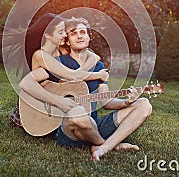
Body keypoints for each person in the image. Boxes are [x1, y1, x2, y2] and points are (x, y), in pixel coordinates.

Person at [20, 17, 152, 161]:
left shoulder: (99, 66)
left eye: (83, 32)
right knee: (78, 113)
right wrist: (59, 101)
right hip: (70, 128)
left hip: (93, 124)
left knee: (144, 104)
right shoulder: (59, 63)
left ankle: (101, 146)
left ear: (89, 37)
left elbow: (106, 102)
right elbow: (27, 82)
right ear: (68, 40)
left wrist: (126, 102)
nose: (79, 35)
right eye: (73, 33)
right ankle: (109, 144)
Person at [7, 13, 109, 127]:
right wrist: (98, 75)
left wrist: (82, 70)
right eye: (61, 32)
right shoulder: (41, 55)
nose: (65, 35)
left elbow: (94, 57)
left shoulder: (61, 50)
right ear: (48, 35)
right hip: (36, 107)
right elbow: (73, 75)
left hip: (54, 103)